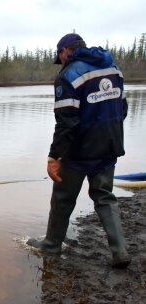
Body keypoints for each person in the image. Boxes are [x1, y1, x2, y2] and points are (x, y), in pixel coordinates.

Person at [27, 32, 132, 268]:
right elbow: (122, 108)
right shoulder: (114, 68)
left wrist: (54, 156)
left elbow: (66, 122)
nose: (61, 61)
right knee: (105, 198)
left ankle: (52, 245)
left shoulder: (68, 75)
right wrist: (107, 134)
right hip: (109, 147)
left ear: (65, 51)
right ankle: (120, 251)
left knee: (63, 198)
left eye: (60, 56)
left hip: (79, 152)